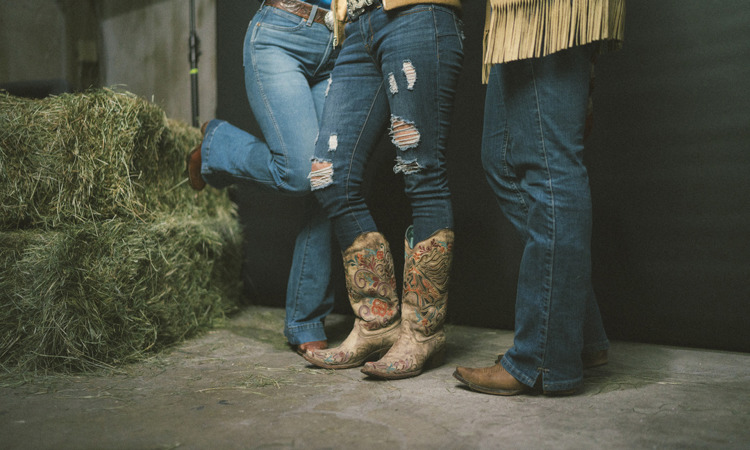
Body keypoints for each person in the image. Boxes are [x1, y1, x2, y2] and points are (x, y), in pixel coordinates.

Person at [453, 0, 625, 395]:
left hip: (544, 9)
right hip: (514, 13)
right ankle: (576, 336)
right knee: (502, 160)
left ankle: (544, 358)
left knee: (548, 166)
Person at [300, 0, 464, 379]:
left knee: (422, 174)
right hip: (357, 25)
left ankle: (423, 334)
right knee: (331, 177)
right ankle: (376, 323)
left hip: (418, 13)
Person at [186, 0, 339, 354]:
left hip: (338, 45)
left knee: (327, 179)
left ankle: (306, 319)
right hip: (283, 31)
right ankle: (217, 144)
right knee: (302, 173)